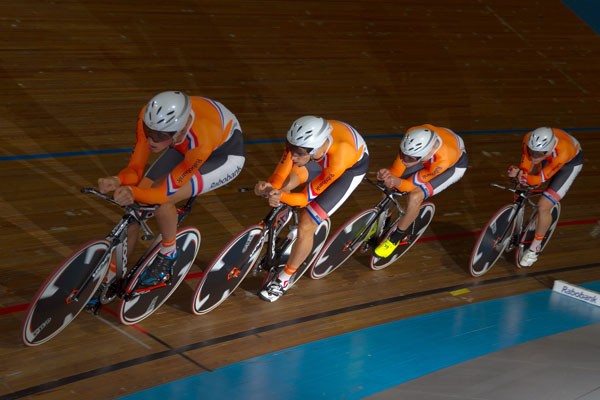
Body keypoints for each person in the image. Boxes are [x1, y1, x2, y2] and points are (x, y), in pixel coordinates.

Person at [97, 91, 245, 287]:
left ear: (180, 128)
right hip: (183, 145)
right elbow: (135, 168)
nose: (151, 141)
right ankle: (110, 276)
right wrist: (118, 180)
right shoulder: (150, 119)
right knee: (135, 209)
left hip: (224, 156)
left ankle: (168, 253)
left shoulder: (200, 139)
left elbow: (162, 193)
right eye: (148, 132)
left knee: (161, 202)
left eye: (159, 137)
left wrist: (133, 192)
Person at [254, 116, 369, 302]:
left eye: (297, 153)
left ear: (314, 148)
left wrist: (282, 196)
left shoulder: (339, 158)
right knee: (284, 184)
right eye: (290, 149)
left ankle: (285, 278)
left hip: (349, 169)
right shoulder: (300, 143)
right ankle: (281, 219)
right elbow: (280, 172)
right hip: (322, 156)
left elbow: (304, 199)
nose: (292, 156)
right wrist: (271, 188)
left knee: (307, 223)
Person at [374, 124, 468, 258]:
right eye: (402, 153)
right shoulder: (412, 133)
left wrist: (396, 181)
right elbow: (396, 171)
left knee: (415, 196)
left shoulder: (442, 161)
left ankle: (396, 238)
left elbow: (408, 186)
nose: (403, 160)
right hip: (436, 145)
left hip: (452, 166)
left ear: (424, 155)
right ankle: (384, 221)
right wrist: (388, 176)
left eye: (409, 158)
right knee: (389, 186)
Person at [507, 127, 583, 267]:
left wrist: (524, 176)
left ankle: (535, 248)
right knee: (521, 184)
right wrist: (519, 174)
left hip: (568, 164)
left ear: (547, 150)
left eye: (538, 154)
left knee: (543, 206)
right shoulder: (527, 139)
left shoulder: (562, 152)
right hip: (550, 157)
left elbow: (538, 180)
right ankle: (516, 223)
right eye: (532, 152)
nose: (534, 156)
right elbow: (526, 166)